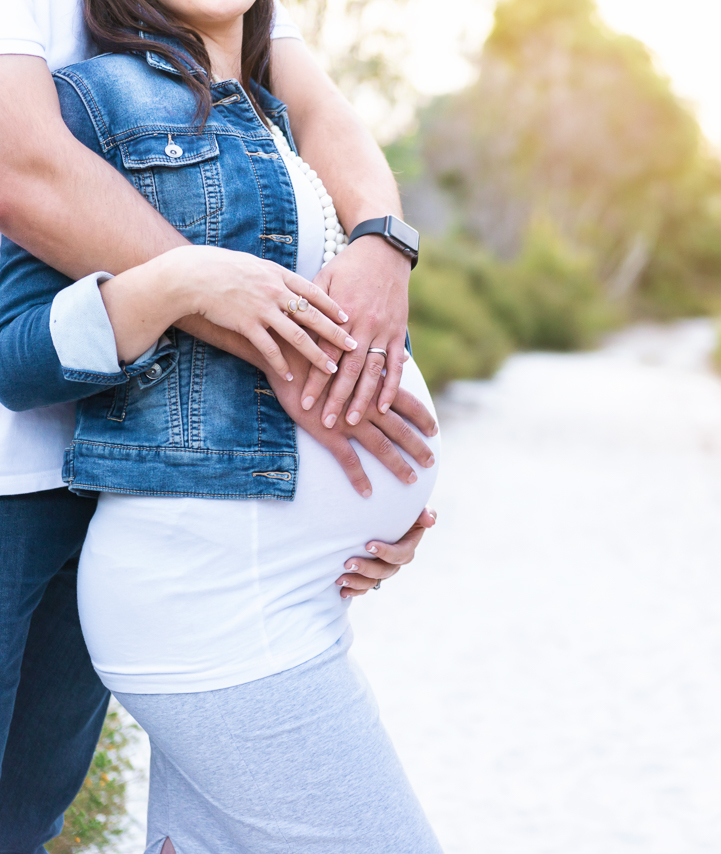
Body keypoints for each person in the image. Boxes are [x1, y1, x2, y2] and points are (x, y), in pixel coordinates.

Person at [0, 0, 448, 846]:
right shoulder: (92, 101)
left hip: (250, 572)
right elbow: (20, 320)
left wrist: (384, 488)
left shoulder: (272, 116)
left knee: (26, 819)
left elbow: (344, 330)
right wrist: (187, 284)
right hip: (205, 590)